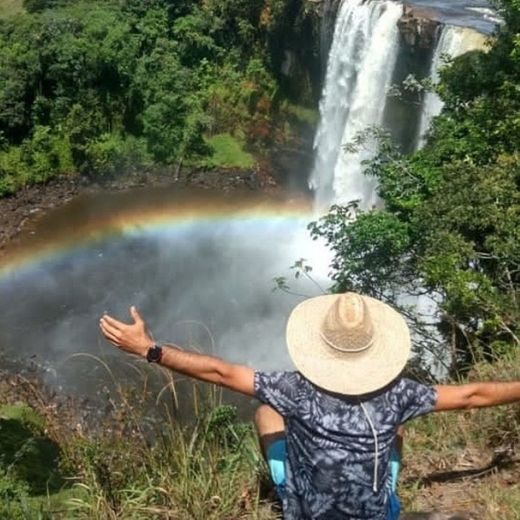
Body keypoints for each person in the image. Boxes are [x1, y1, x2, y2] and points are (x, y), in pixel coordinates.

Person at [100, 292, 520, 520]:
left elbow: (222, 373)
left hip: (307, 513)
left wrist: (150, 349)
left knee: (265, 412)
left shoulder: (292, 389)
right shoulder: (399, 394)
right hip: (378, 514)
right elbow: (470, 396)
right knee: (394, 428)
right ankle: (380, 488)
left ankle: (289, 494)